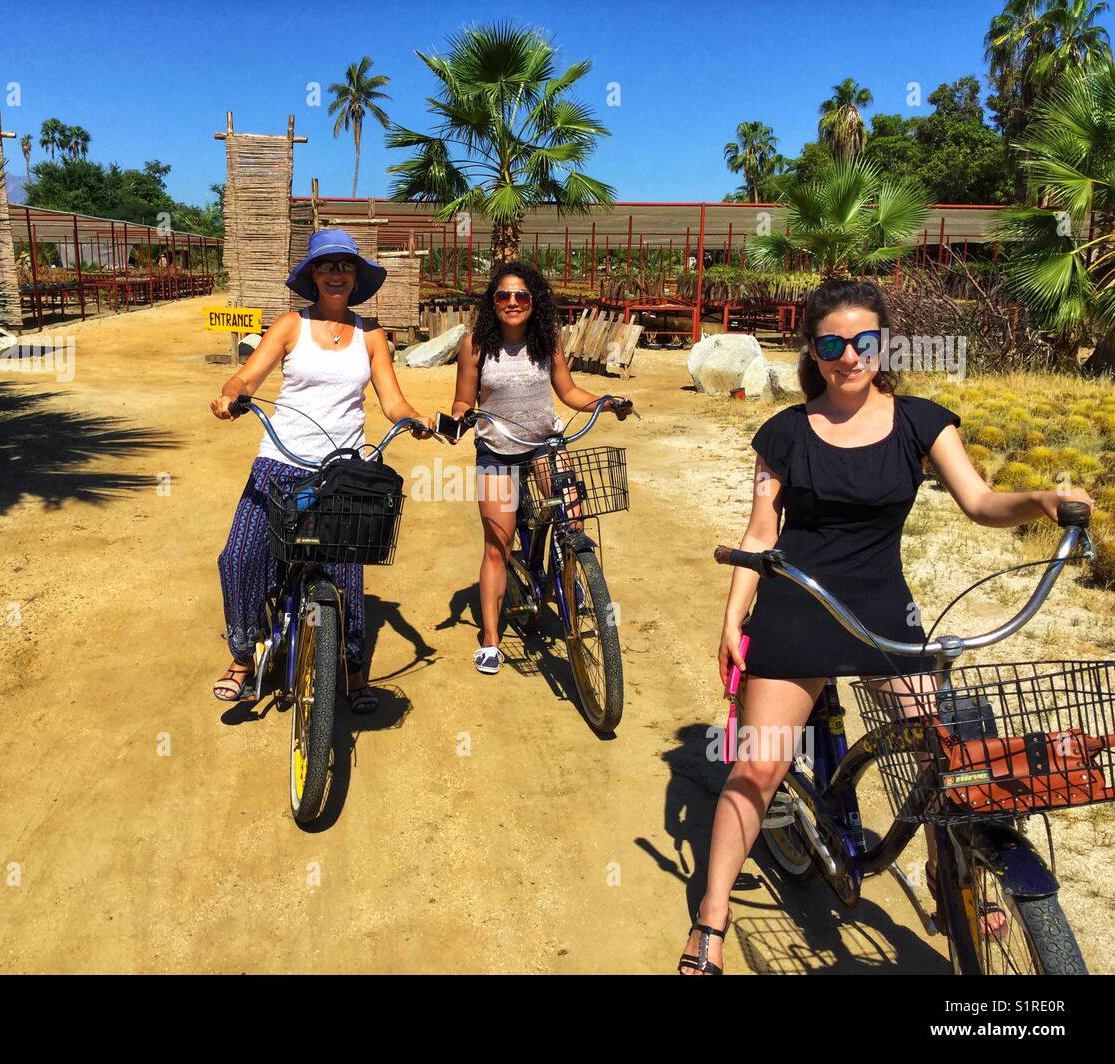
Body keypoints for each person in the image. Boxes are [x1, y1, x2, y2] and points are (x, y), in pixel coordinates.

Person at [680, 278, 1095, 975]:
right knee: (756, 765)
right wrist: (733, 616)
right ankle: (711, 921)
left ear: (882, 342)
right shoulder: (783, 432)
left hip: (882, 610)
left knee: (944, 753)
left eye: (863, 341)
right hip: (797, 604)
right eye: (833, 343)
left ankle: (951, 869)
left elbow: (983, 502)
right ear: (813, 349)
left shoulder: (921, 421)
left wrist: (1042, 499)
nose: (850, 357)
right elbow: (760, 531)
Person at [211, 229, 429, 712]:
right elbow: (248, 375)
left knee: (347, 570)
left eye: (345, 266)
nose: (336, 273)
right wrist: (232, 393)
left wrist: (413, 418)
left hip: (343, 470)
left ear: (356, 277)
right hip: (280, 460)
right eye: (327, 265)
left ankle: (353, 669)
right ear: (313, 275)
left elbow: (391, 401)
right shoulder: (290, 325)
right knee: (240, 556)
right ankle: (244, 656)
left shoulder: (372, 335)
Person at [446, 261, 630, 675]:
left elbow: (568, 391)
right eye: (503, 296)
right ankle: (491, 640)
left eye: (521, 296)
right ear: (492, 302)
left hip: (544, 445)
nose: (512, 303)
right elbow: (463, 400)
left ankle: (573, 576)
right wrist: (460, 419)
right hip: (497, 453)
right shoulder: (475, 344)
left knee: (574, 517)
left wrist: (606, 400)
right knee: (497, 545)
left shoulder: (548, 341)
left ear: (535, 301)